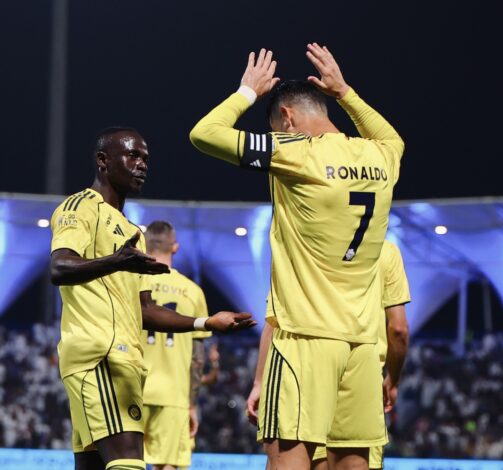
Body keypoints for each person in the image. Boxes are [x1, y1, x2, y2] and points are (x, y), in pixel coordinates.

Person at [190, 44, 403, 470]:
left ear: (286, 118)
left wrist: (247, 92)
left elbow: (204, 133)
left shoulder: (296, 152)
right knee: (354, 461)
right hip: (362, 345)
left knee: (288, 459)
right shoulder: (382, 157)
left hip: (306, 340)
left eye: (277, 127)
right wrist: (345, 92)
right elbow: (393, 137)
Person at [49, 127, 256, 470]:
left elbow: (145, 310)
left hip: (125, 360)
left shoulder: (134, 233)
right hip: (100, 356)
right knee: (129, 460)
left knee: (93, 465)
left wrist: (206, 322)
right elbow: (59, 267)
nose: (142, 164)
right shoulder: (80, 207)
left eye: (145, 158)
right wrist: (116, 261)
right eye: (132, 155)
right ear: (103, 161)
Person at [246, 240, 411, 470]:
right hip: (363, 372)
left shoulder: (304, 242)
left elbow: (275, 319)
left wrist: (259, 382)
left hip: (306, 368)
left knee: (289, 460)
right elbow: (399, 329)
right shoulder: (386, 251)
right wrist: (393, 379)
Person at [140, 220, 213, 470]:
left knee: (123, 461)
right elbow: (198, 357)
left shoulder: (131, 284)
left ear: (144, 246)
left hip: (132, 388)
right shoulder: (192, 292)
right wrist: (192, 404)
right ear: (175, 247)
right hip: (173, 393)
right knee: (168, 466)